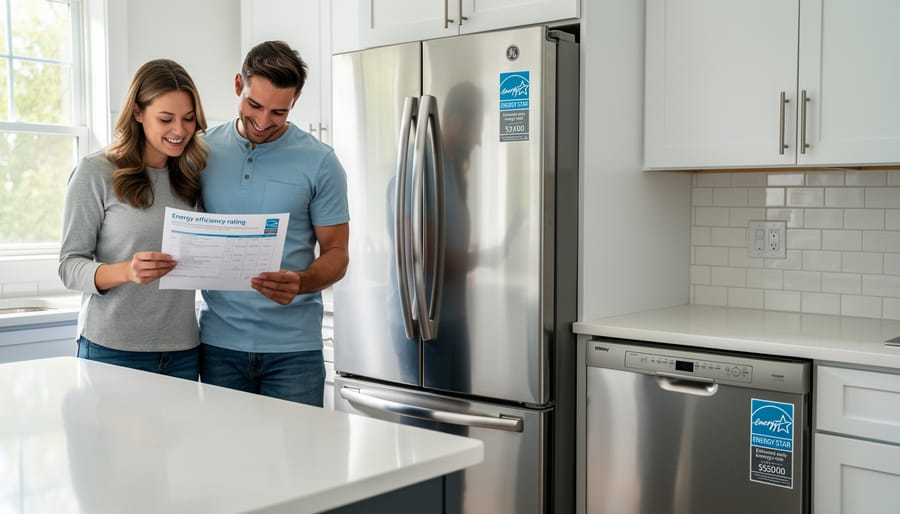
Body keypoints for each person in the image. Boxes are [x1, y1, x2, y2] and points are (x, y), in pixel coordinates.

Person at [199, 40, 350, 406]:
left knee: (298, 447)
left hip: (294, 352)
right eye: (254, 105)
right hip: (218, 345)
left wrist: (301, 282)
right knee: (224, 445)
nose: (263, 122)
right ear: (239, 84)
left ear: (294, 102)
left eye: (279, 112)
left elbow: (337, 253)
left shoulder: (320, 162)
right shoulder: (201, 151)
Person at [59, 59, 209, 380]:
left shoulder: (193, 176)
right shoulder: (95, 172)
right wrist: (126, 271)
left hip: (182, 350)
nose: (180, 130)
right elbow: (69, 267)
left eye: (188, 118)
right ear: (138, 113)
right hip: (112, 349)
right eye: (166, 119)